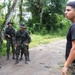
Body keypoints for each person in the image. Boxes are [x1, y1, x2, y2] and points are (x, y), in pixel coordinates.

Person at [62, 1, 75, 75]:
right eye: (65, 10)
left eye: (68, 10)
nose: (65, 12)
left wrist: (66, 65)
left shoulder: (74, 26)